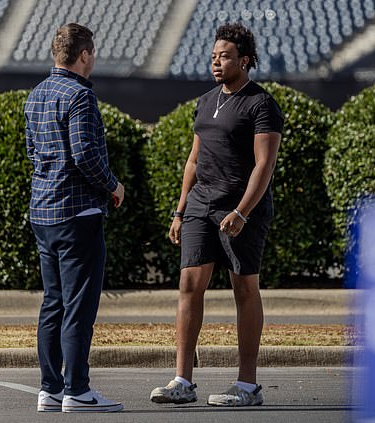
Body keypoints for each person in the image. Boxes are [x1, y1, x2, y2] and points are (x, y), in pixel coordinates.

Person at [150, 23, 284, 407]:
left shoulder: (261, 104)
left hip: (241, 209)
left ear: (244, 60)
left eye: (224, 56)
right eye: (213, 57)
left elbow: (264, 165)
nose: (216, 63)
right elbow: (194, 159)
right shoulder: (207, 101)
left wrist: (242, 211)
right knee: (189, 285)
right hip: (200, 207)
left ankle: (247, 385)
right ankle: (182, 381)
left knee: (244, 289)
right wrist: (179, 209)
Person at [25, 23, 125, 413]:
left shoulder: (35, 96)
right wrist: (113, 186)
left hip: (43, 212)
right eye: (93, 52)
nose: (94, 58)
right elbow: (84, 155)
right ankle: (77, 389)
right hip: (77, 213)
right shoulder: (80, 96)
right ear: (83, 55)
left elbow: (34, 153)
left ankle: (49, 388)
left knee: (53, 303)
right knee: (79, 305)